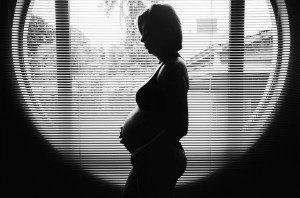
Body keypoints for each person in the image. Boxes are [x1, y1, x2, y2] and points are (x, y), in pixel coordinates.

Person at [119, 4, 189, 198]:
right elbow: (158, 113)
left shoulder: (172, 68)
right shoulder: (167, 65)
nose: (142, 39)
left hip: (159, 160)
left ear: (166, 31)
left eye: (148, 32)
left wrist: (144, 151)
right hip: (154, 159)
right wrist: (133, 131)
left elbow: (179, 126)